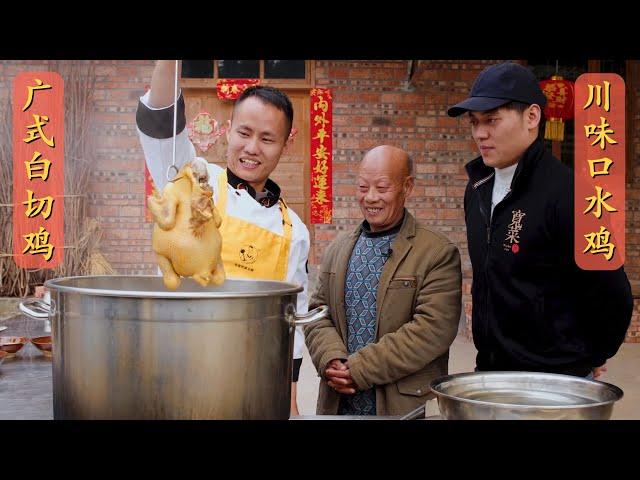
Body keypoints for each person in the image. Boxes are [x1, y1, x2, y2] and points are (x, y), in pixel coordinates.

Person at [136, 60, 310, 415]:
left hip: (250, 383)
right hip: (174, 369)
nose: (252, 148)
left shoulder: (293, 230)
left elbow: (294, 322)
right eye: (244, 133)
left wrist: (289, 400)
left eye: (267, 139)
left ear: (286, 143)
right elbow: (159, 119)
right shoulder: (194, 180)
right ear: (228, 130)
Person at [447, 61, 633, 379]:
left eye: (491, 120)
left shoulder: (571, 193)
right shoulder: (477, 186)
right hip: (490, 370)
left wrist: (592, 353)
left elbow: (613, 293)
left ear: (532, 117)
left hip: (553, 379)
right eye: (474, 122)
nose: (480, 133)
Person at [304, 145, 462, 416]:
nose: (371, 198)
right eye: (363, 188)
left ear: (407, 187)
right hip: (340, 402)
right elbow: (318, 313)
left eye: (382, 187)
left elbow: (432, 329)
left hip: (403, 406)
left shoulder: (436, 252)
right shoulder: (338, 248)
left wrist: (360, 368)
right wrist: (330, 358)